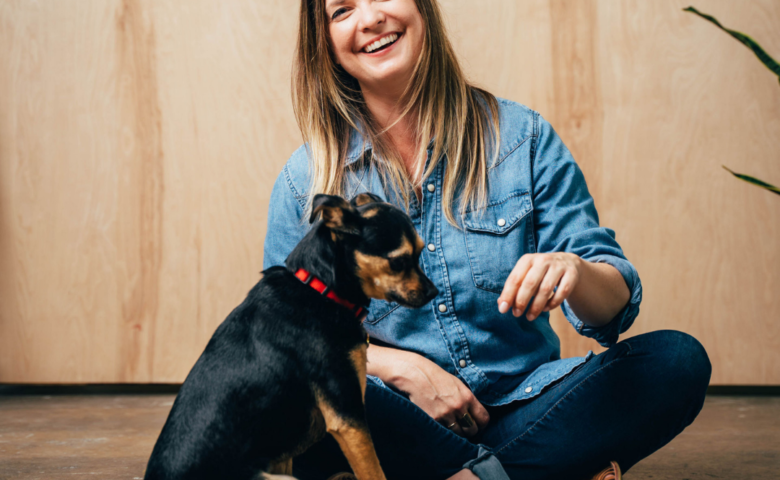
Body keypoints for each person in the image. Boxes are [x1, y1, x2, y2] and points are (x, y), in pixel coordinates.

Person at [263, 1, 712, 479]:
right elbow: (286, 338)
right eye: (342, 10)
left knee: (676, 361)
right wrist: (401, 369)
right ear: (326, 44)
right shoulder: (304, 182)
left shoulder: (523, 138)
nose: (370, 18)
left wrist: (575, 271)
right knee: (300, 394)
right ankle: (536, 469)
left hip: (529, 408)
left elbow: (613, 312)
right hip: (398, 420)